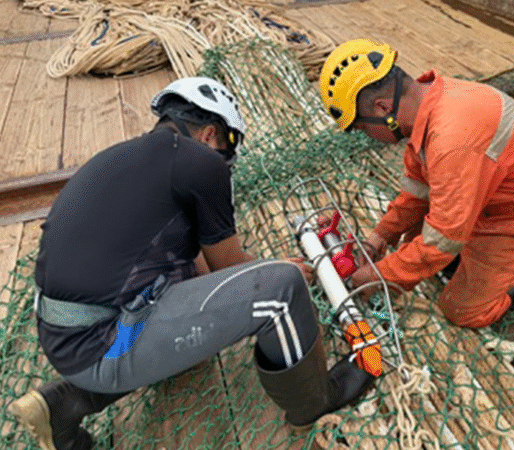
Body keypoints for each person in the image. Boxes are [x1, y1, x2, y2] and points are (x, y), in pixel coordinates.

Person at [9, 77, 373, 450]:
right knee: (281, 290)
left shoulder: (124, 156)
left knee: (197, 292)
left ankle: (64, 404)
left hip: (65, 336)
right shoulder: (199, 161)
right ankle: (315, 403)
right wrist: (284, 269)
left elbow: (197, 267)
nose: (222, 166)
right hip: (106, 344)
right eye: (223, 154)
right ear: (210, 134)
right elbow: (227, 266)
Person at [318, 39, 514, 328]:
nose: (366, 135)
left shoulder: (452, 139)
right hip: (489, 197)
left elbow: (442, 240)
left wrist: (376, 276)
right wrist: (378, 239)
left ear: (383, 107)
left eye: (362, 127)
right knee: (414, 245)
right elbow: (416, 192)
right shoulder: (429, 104)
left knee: (461, 310)